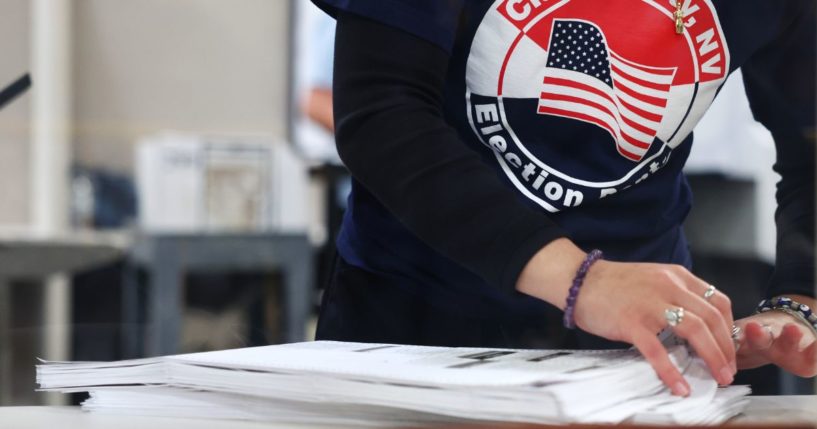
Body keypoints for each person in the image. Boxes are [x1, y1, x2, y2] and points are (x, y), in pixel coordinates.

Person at [310, 0, 817, 396]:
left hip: (639, 354)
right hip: (414, 321)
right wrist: (580, 279)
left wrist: (800, 301)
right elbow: (383, 113)